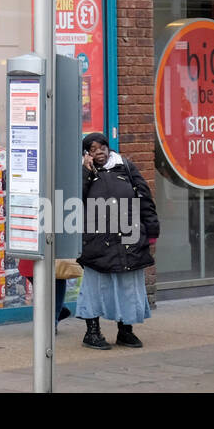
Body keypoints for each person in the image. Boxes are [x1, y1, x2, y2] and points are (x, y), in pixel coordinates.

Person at [76, 132, 159, 350]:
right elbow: (74, 201)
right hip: (96, 240)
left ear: (108, 148)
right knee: (94, 288)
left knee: (128, 287)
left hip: (129, 237)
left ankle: (126, 331)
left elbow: (145, 200)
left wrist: (151, 232)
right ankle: (92, 332)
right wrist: (86, 172)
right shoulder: (83, 172)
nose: (98, 152)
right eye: (92, 150)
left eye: (102, 147)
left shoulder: (127, 168)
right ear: (87, 154)